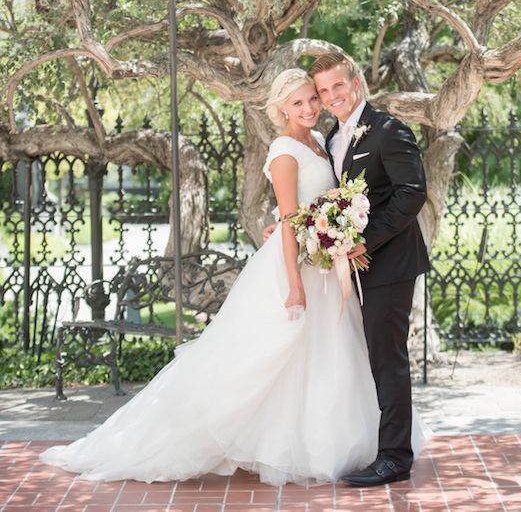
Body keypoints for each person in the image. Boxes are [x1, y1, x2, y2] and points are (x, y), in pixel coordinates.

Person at [40, 69, 427, 486]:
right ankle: (231, 439)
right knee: (265, 359)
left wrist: (292, 226)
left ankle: (374, 450)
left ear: (352, 84)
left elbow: (323, 203)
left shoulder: (325, 141)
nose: (313, 105)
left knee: (336, 357)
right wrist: (292, 261)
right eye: (299, 101)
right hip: (299, 271)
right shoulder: (284, 148)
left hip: (330, 265)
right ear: (280, 108)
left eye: (314, 97)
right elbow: (293, 209)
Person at [308, 52, 429, 488]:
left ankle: (395, 457)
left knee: (388, 358)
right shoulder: (333, 136)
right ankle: (379, 443)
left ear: (355, 82)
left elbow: (412, 192)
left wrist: (364, 240)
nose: (332, 95)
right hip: (355, 266)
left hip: (391, 263)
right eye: (323, 91)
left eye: (338, 85)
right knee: (370, 357)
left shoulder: (388, 129)